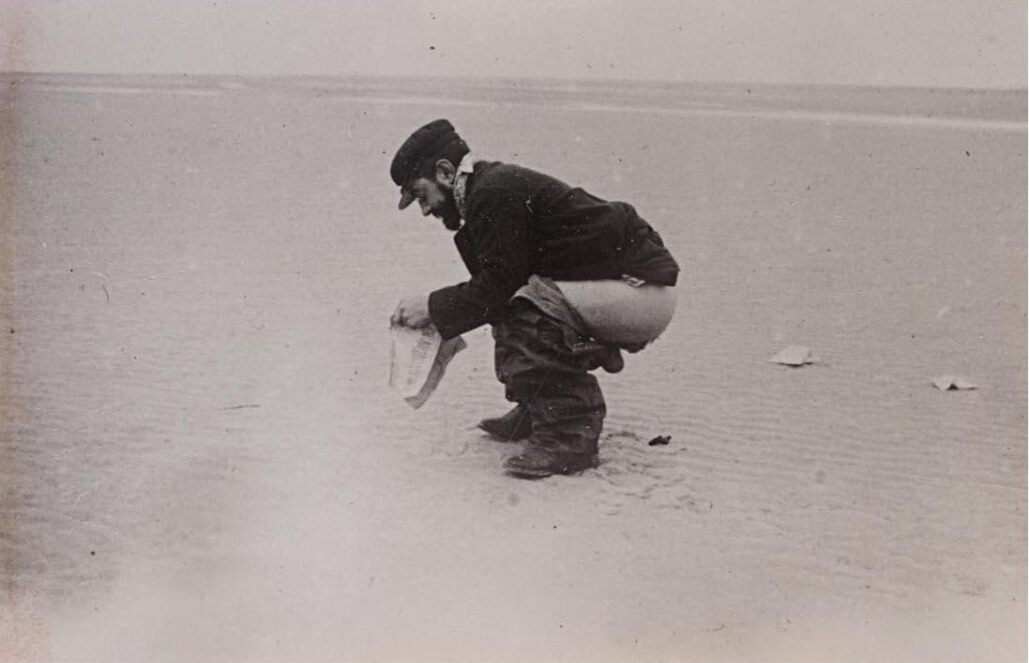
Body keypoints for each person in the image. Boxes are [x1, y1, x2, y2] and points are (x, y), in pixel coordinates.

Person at [389, 119, 680, 479]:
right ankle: (540, 410)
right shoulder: (486, 191)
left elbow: (498, 288)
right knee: (517, 303)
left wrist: (431, 306)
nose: (424, 210)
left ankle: (569, 436)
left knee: (520, 307)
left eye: (421, 195)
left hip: (643, 291)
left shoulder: (492, 193)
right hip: (630, 290)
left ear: (446, 172)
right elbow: (498, 283)